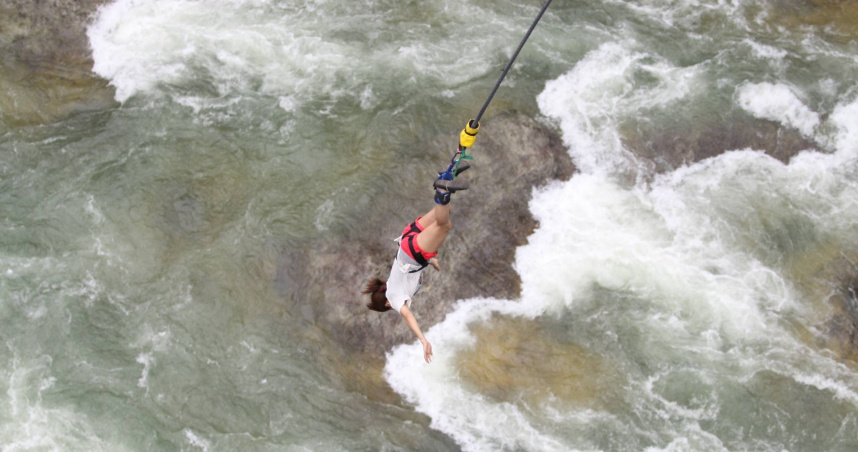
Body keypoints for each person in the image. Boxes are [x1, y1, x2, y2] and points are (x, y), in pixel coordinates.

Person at [363, 160, 471, 364]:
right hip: (406, 239)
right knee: (445, 212)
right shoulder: (392, 283)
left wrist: (423, 340)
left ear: (387, 303)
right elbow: (407, 270)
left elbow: (408, 317)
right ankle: (447, 175)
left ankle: (442, 189)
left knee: (444, 224)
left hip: (414, 252)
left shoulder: (394, 299)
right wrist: (432, 261)